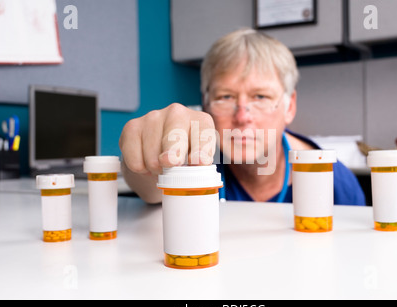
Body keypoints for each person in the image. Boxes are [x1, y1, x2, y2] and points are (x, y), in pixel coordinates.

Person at [119, 28, 366, 205]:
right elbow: (151, 191)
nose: (242, 116)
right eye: (225, 97)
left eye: (260, 97)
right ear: (206, 106)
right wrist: (146, 158)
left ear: (289, 107)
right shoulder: (199, 163)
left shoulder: (334, 184)